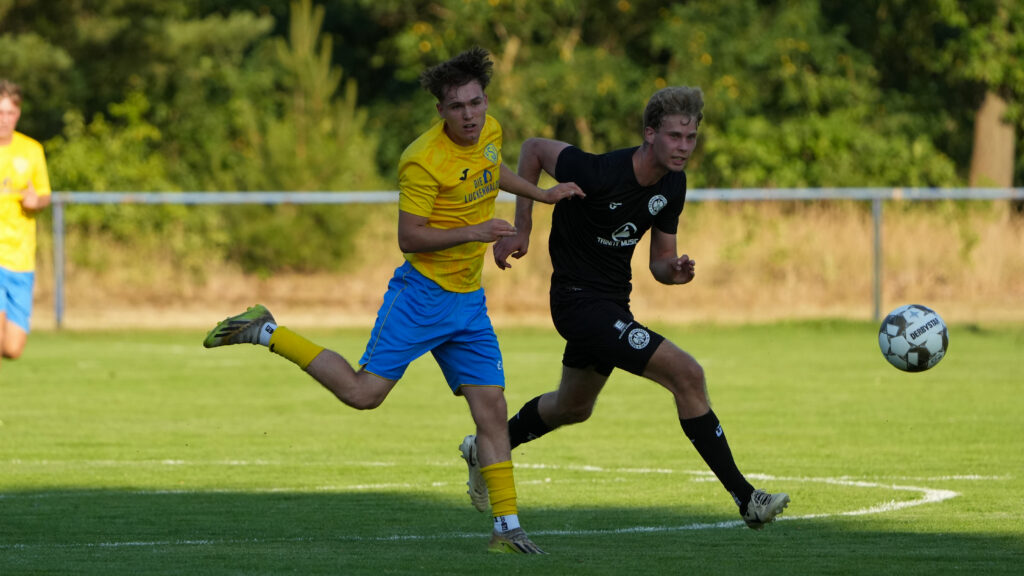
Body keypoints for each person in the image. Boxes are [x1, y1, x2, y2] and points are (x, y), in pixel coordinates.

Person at [203, 47, 583, 554]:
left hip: (468, 300)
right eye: (457, 107)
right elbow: (410, 238)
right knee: (365, 394)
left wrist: (542, 196)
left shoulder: (489, 134)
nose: (469, 115)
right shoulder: (422, 160)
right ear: (441, 111)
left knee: (492, 412)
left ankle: (506, 527)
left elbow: (491, 175)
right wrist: (474, 229)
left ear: (486, 99)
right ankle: (266, 329)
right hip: (421, 297)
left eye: (476, 103)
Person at [458, 86, 790, 530]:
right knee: (687, 374)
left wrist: (675, 270)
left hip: (613, 305)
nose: (683, 147)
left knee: (574, 407)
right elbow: (534, 149)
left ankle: (485, 449)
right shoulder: (598, 170)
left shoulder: (674, 184)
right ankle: (747, 498)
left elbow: (658, 262)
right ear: (649, 133)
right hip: (576, 302)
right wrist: (523, 230)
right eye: (674, 136)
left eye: (690, 138)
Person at [0, 80, 51, 370]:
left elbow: (44, 195)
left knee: (12, 348)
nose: (3, 119)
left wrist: (36, 202)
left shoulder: (31, 150)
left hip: (20, 259)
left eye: (9, 112)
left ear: (17, 114)